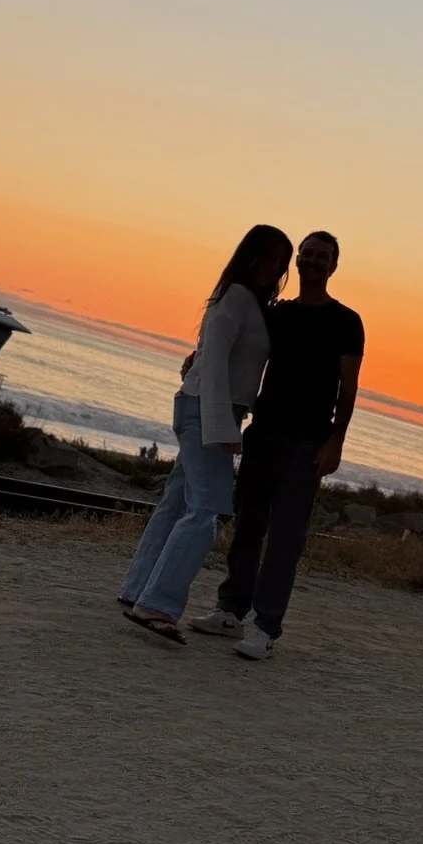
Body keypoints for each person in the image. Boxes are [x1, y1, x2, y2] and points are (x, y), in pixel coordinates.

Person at [191, 230, 364, 661]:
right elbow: (239, 346)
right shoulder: (277, 314)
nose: (312, 261)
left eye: (322, 256)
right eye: (306, 254)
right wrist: (199, 357)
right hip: (264, 432)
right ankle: (231, 610)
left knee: (285, 538)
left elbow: (348, 389)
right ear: (297, 262)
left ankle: (265, 628)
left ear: (334, 265)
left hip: (307, 444)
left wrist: (335, 442)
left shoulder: (346, 322)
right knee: (248, 525)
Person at [118, 225, 295, 644]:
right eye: (271, 258)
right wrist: (223, 429)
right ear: (250, 256)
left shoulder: (246, 301)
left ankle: (136, 589)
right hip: (207, 411)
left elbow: (212, 357)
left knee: (177, 501)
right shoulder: (234, 297)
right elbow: (214, 365)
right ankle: (157, 605)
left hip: (207, 407)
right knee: (208, 510)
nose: (277, 269)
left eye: (282, 263)